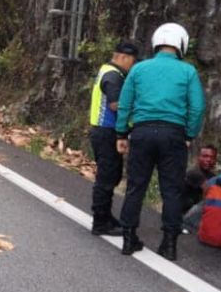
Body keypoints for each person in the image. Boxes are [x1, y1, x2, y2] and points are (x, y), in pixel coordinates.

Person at [115, 23, 206, 260]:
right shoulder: (188, 71)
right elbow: (197, 107)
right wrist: (189, 135)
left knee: (136, 186)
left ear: (156, 42)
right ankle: (169, 243)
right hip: (173, 134)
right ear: (181, 44)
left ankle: (128, 238)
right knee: (172, 190)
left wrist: (121, 134)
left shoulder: (139, 69)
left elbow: (125, 103)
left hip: (142, 132)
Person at [88, 41, 141, 236]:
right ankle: (100, 222)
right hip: (106, 132)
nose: (133, 67)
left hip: (104, 131)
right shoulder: (113, 76)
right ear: (123, 57)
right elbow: (115, 105)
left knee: (112, 175)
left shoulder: (107, 71)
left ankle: (105, 216)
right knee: (106, 177)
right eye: (133, 62)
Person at [183, 145, 219, 214]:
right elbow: (209, 191)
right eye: (205, 156)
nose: (209, 160)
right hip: (186, 213)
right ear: (198, 157)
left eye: (212, 157)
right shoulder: (194, 173)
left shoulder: (212, 176)